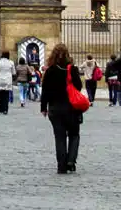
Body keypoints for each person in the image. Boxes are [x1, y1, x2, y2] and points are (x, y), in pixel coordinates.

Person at [40, 42, 85, 174]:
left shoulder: (51, 70)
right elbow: (78, 87)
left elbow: (45, 90)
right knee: (74, 135)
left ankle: (61, 165)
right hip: (72, 107)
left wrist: (43, 107)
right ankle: (71, 160)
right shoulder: (73, 69)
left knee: (59, 137)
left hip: (55, 108)